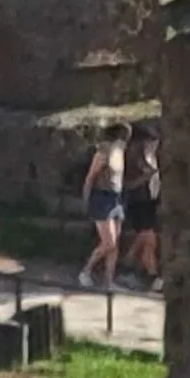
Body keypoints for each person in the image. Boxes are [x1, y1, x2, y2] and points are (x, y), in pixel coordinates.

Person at [79, 121, 128, 290]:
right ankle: (86, 271)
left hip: (117, 197)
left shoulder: (120, 152)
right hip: (101, 198)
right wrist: (86, 199)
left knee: (116, 243)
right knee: (109, 242)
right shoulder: (103, 153)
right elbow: (90, 177)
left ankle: (108, 281)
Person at [122, 121, 161, 280]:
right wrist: (145, 177)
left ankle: (130, 265)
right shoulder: (133, 159)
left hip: (151, 201)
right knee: (149, 238)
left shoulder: (153, 157)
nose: (153, 144)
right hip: (138, 201)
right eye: (150, 140)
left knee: (148, 241)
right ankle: (152, 276)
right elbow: (128, 184)